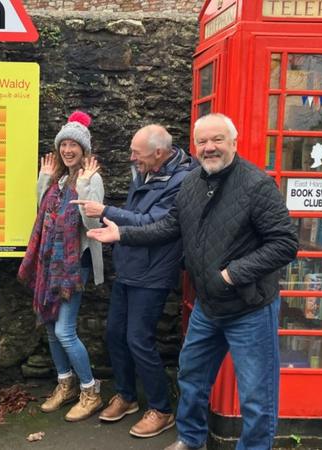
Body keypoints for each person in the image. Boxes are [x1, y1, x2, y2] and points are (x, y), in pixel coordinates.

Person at [87, 113, 298, 450]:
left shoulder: (257, 185)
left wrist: (232, 274)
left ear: (234, 142)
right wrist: (121, 232)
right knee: (191, 377)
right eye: (203, 141)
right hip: (208, 306)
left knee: (257, 396)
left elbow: (285, 244)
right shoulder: (192, 183)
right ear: (195, 146)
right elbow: (169, 227)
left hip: (249, 307)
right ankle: (191, 439)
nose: (209, 147)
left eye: (217, 140)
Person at [72, 124, 195, 437]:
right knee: (114, 334)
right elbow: (136, 213)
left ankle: (161, 409)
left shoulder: (182, 180)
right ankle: (126, 396)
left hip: (153, 271)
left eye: (136, 154)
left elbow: (157, 223)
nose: (131, 158)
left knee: (139, 339)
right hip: (130, 263)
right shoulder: (147, 168)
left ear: (158, 152)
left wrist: (107, 211)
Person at [17, 110, 105, 422]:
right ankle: (65, 383)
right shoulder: (58, 179)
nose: (68, 150)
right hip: (51, 263)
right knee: (52, 329)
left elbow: (92, 222)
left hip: (73, 266)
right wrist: (43, 178)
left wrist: (84, 187)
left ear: (84, 150)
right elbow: (42, 213)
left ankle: (90, 390)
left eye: (74, 145)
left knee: (65, 331)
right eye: (64, 144)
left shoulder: (90, 177)